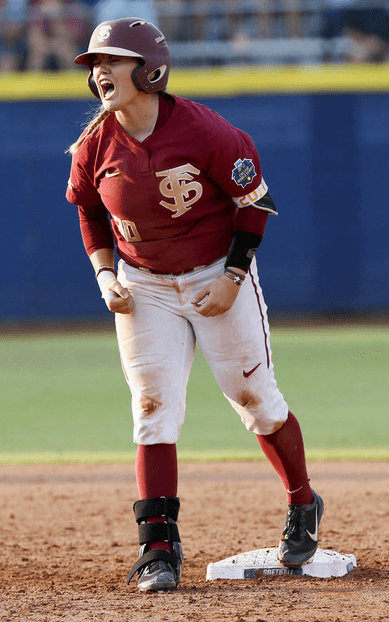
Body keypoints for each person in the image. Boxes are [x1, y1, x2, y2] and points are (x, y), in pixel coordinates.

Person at [66, 17, 324, 592]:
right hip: (145, 285)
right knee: (153, 406)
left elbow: (254, 202)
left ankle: (302, 502)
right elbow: (88, 210)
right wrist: (104, 273)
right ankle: (158, 548)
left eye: (112, 61)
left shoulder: (206, 130)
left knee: (256, 401)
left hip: (215, 275)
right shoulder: (95, 146)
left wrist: (235, 274)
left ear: (150, 68)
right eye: (95, 65)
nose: (101, 72)